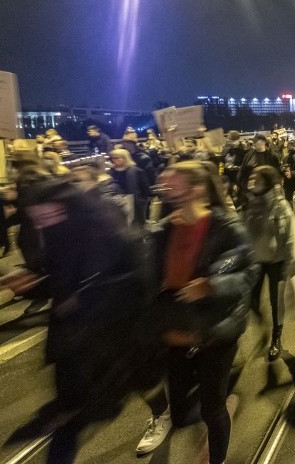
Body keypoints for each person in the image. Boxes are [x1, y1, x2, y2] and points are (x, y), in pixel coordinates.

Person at [3, 172, 146, 463]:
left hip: (103, 335)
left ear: (64, 206)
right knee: (71, 408)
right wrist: (34, 285)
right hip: (71, 337)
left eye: (44, 216)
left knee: (82, 409)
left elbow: (124, 281)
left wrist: (75, 297)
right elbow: (62, 279)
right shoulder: (60, 231)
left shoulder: (102, 229)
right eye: (36, 219)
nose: (41, 224)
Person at [148, 161, 256, 464]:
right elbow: (148, 277)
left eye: (175, 184)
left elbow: (249, 271)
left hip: (214, 331)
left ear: (196, 189)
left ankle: (217, 456)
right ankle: (221, 400)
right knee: (181, 415)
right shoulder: (163, 231)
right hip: (175, 332)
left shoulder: (225, 227)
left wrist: (211, 285)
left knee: (211, 410)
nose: (168, 190)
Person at [241, 166, 295, 361]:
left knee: (277, 302)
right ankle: (263, 324)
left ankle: (276, 337)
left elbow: (291, 237)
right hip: (256, 262)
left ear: (267, 182)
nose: (253, 181)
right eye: (252, 178)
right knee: (251, 300)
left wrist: (291, 264)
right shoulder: (249, 204)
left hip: (277, 261)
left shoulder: (281, 205)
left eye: (257, 178)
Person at [109, 147, 152, 226]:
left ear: (125, 158)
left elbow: (145, 187)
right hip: (118, 202)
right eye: (112, 158)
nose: (114, 160)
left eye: (117, 158)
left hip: (135, 202)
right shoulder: (111, 172)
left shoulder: (137, 171)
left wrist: (143, 200)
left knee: (136, 223)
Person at [237, 134, 280, 207]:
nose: (254, 143)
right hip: (250, 192)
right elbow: (242, 169)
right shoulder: (248, 155)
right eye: (254, 141)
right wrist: (237, 183)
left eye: (256, 141)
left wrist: (277, 185)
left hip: (267, 192)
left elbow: (276, 173)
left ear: (263, 142)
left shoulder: (272, 157)